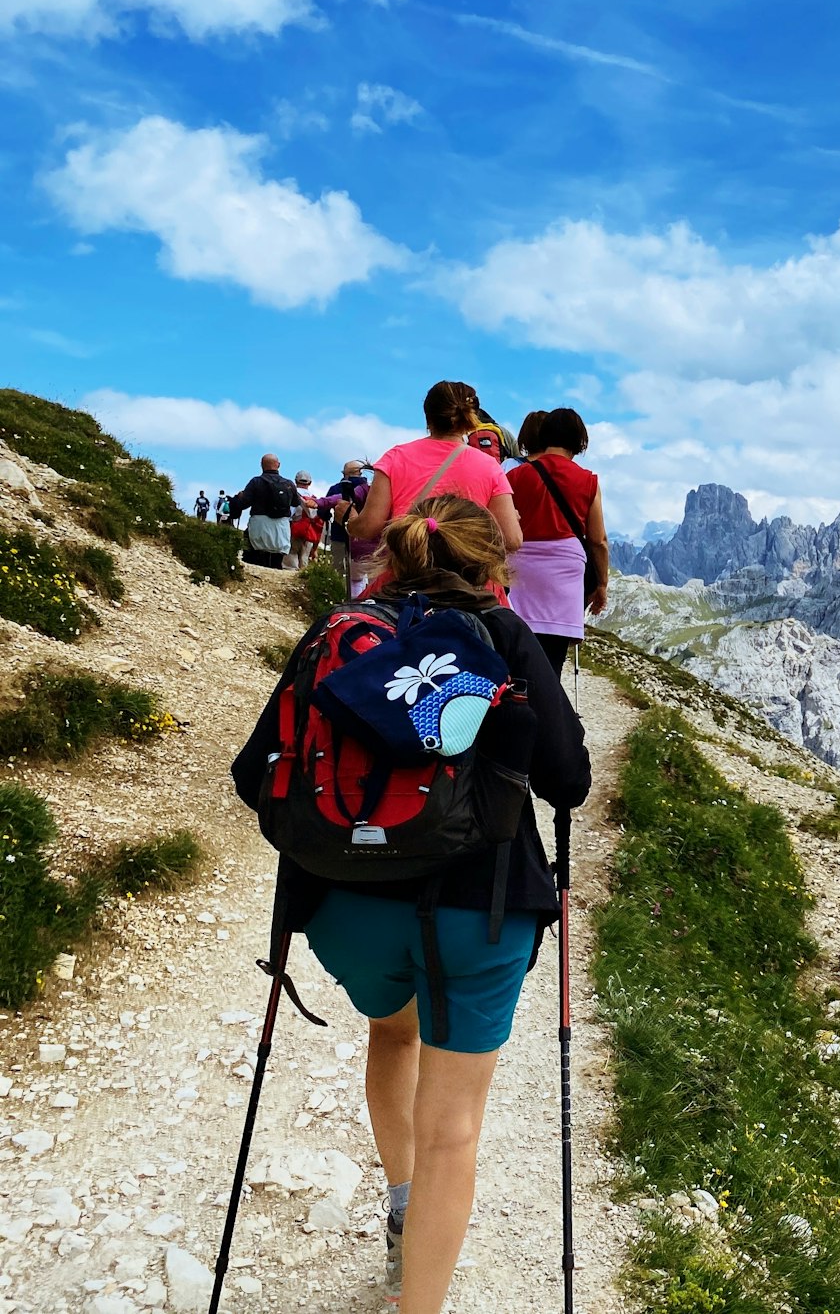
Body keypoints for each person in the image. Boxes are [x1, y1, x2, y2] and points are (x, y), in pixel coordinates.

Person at [231, 496, 590, 1314]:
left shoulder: (338, 631)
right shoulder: (502, 636)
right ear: (491, 569)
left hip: (343, 912)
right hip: (482, 912)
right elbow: (568, 780)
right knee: (453, 1127)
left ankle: (400, 1201)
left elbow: (254, 775)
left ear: (393, 556)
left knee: (393, 1031)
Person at [348, 383, 524, 559]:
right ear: (470, 418)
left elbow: (368, 527)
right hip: (471, 581)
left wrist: (349, 520)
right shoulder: (489, 466)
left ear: (428, 417)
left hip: (408, 576)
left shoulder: (395, 457)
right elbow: (512, 540)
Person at [507, 407, 611, 671]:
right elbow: (598, 540)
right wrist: (601, 585)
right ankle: (548, 702)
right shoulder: (588, 481)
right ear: (580, 441)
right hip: (564, 572)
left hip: (520, 567)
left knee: (516, 648)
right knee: (552, 657)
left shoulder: (516, 476)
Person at [232, 456, 300, 568]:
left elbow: (243, 504)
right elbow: (295, 503)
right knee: (276, 562)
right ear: (278, 465)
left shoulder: (256, 482)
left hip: (259, 526)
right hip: (281, 528)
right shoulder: (288, 484)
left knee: (255, 560)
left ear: (261, 465)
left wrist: (239, 498)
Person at [321, 460, 367, 588]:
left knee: (338, 565)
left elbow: (324, 510)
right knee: (359, 569)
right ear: (360, 472)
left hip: (339, 532)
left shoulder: (336, 488)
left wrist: (326, 516)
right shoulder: (368, 488)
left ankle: (337, 590)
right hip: (361, 535)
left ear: (345, 473)